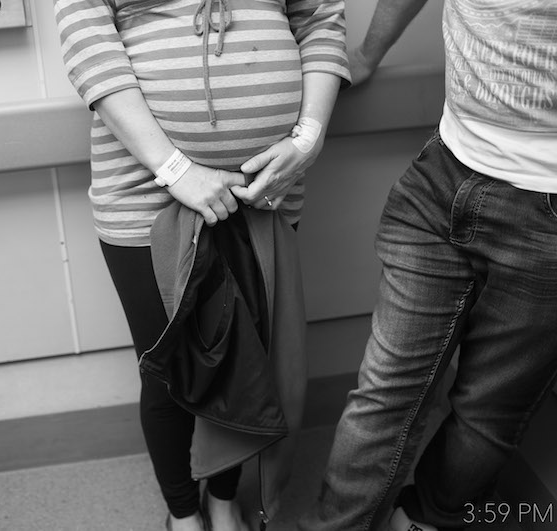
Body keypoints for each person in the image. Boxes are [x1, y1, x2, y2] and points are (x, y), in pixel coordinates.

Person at [53, 0, 350, 529]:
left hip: (264, 190)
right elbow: (88, 40)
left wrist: (307, 138)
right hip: (145, 188)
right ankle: (183, 513)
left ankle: (223, 498)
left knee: (246, 363)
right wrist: (176, 169)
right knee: (169, 373)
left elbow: (320, 19)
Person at [298, 0, 557, 530]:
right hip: (444, 173)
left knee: (488, 408)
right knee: (384, 391)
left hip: (548, 207)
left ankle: (427, 518)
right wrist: (367, 54)